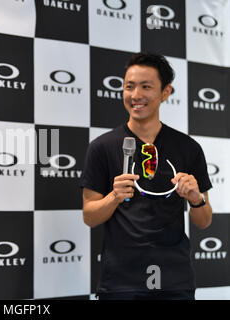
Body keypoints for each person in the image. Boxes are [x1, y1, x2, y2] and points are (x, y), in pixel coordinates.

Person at [80, 52, 212, 300]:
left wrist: (196, 199)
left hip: (175, 278)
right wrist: (114, 197)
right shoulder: (102, 147)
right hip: (121, 280)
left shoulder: (188, 148)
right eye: (129, 87)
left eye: (146, 86)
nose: (135, 95)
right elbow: (89, 216)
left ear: (165, 92)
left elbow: (204, 221)